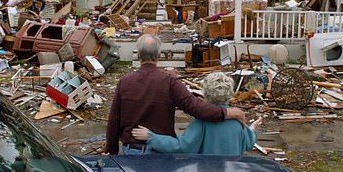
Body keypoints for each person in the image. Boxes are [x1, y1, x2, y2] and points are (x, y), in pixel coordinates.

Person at [104, 35, 247, 155]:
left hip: (132, 151)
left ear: (139, 55)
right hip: (161, 153)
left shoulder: (125, 82)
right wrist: (228, 112)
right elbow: (196, 108)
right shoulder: (169, 82)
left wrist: (111, 150)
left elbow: (114, 119)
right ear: (159, 56)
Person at [131, 72, 261, 155]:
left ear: (205, 93)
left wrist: (152, 137)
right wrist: (252, 128)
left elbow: (182, 147)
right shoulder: (237, 122)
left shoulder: (202, 122)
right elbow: (247, 143)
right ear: (230, 94)